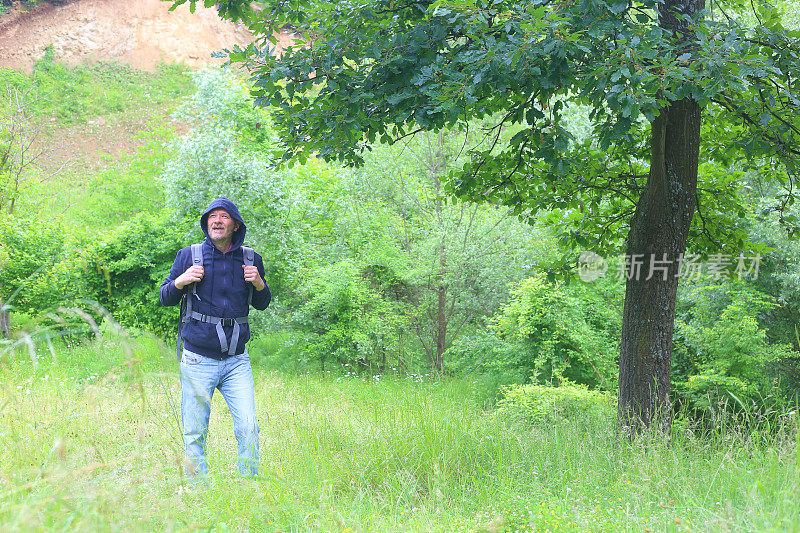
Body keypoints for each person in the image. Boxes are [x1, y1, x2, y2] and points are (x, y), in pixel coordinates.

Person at [159, 197, 270, 480]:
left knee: (249, 426)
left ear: (235, 225)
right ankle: (198, 489)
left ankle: (249, 485)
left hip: (237, 361)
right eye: (211, 217)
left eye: (223, 216)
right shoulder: (189, 255)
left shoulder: (250, 259)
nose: (216, 221)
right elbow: (165, 297)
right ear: (206, 223)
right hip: (197, 359)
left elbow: (262, 303)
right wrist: (181, 281)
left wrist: (259, 283)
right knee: (195, 431)